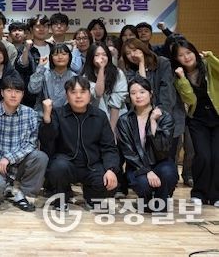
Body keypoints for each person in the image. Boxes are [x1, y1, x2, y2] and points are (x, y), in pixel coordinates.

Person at [40, 76, 119, 211]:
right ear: (67, 95)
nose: (78, 96)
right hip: (66, 164)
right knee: (58, 167)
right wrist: (47, 118)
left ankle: (91, 196)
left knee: (109, 183)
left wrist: (110, 170)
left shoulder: (99, 116)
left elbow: (109, 147)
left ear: (89, 94)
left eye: (82, 92)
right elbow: (46, 140)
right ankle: (62, 196)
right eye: (73, 92)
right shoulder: (58, 113)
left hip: (92, 165)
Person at [0, 77, 48, 211]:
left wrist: (9, 158)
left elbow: (31, 143)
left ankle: (23, 195)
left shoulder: (30, 114)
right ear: (2, 93)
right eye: (9, 90)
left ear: (22, 94)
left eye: (17, 91)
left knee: (40, 157)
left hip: (18, 162)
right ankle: (1, 190)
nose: (13, 95)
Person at [117, 77, 178, 212]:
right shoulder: (124, 120)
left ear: (150, 94)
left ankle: (161, 200)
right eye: (133, 93)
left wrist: (153, 122)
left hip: (161, 162)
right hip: (137, 165)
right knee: (143, 184)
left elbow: (164, 150)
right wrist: (146, 171)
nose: (138, 96)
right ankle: (145, 199)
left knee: (168, 173)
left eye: (142, 92)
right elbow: (128, 152)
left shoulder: (165, 117)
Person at [172, 40, 219, 207]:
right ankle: (199, 192)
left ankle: (216, 195)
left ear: (194, 52)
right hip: (197, 120)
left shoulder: (208, 64)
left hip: (217, 116)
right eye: (181, 55)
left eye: (188, 52)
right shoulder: (178, 77)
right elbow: (190, 99)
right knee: (203, 156)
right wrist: (183, 79)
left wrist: (211, 57)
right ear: (176, 59)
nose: (186, 57)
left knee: (217, 156)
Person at [82, 43, 128, 133]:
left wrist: (112, 129)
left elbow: (116, 103)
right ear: (91, 57)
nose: (101, 58)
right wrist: (101, 69)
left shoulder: (118, 73)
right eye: (97, 55)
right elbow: (98, 93)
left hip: (118, 117)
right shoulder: (86, 76)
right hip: (95, 117)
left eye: (104, 54)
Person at [27, 43, 76, 116]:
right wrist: (40, 67)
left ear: (69, 57)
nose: (60, 57)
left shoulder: (74, 77)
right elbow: (33, 89)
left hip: (67, 116)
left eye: (64, 54)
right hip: (43, 115)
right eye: (56, 54)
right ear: (51, 58)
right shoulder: (43, 74)